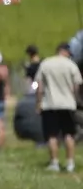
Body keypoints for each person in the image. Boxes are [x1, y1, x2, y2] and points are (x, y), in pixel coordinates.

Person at [35, 43, 83, 172]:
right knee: (69, 134)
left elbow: (38, 85)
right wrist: (76, 99)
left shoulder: (45, 64)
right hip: (67, 104)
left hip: (50, 104)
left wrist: (38, 102)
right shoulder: (71, 65)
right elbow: (77, 85)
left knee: (51, 135)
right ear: (66, 52)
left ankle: (54, 163)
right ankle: (70, 163)